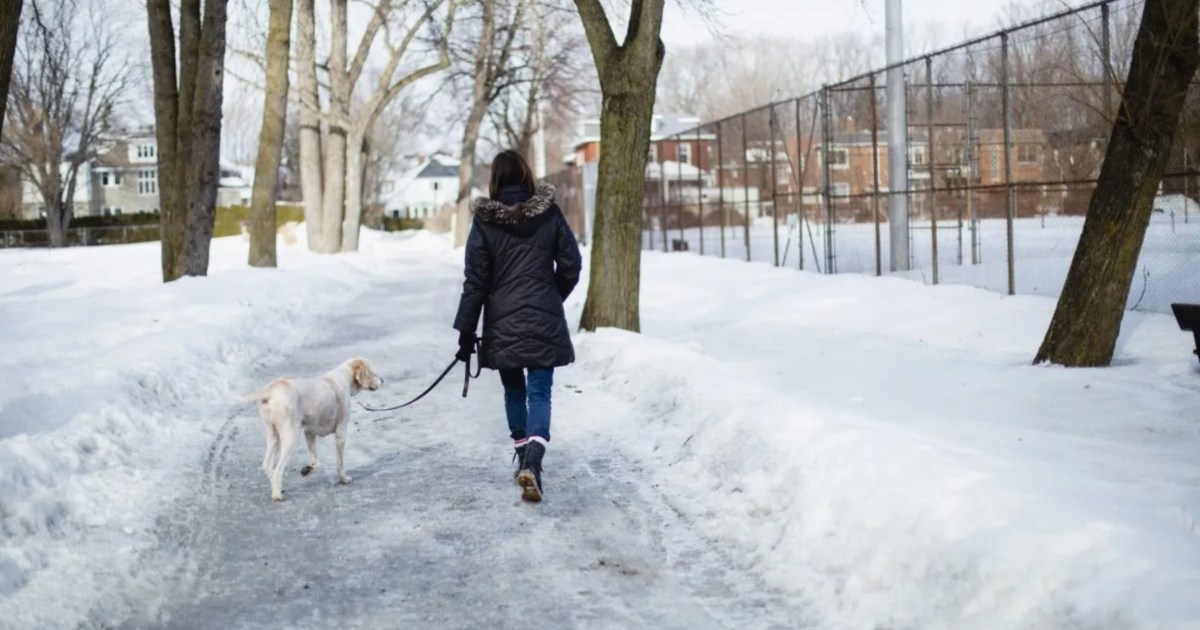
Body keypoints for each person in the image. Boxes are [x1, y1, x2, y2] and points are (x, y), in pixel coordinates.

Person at [453, 150, 582, 503]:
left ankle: (524, 456)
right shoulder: (550, 213)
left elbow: (475, 281)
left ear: (494, 179)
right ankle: (534, 461)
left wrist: (466, 332)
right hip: (544, 317)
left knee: (514, 392)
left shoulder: (484, 222)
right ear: (526, 174)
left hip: (503, 323)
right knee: (540, 392)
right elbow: (571, 264)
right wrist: (551, 296)